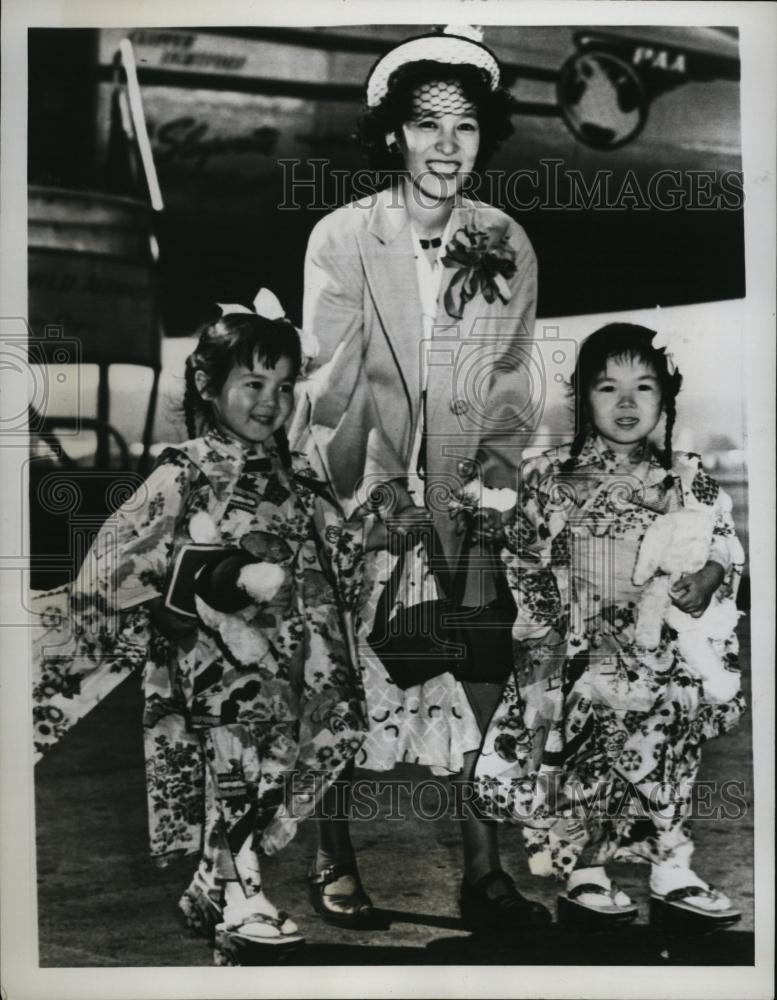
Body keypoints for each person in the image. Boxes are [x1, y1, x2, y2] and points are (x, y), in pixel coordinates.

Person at [290, 26, 550, 928]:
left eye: (466, 127)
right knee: (351, 680)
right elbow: (332, 383)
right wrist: (375, 500)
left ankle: (483, 870)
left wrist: (492, 496)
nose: (447, 146)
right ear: (392, 134)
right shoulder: (343, 236)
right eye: (427, 125)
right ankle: (333, 856)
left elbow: (510, 382)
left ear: (484, 139)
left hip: (463, 502)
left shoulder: (502, 238)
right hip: (359, 496)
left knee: (481, 666)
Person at [32, 299, 366, 963]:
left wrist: (374, 527)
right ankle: (243, 896)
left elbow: (324, 558)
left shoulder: (293, 473)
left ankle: (213, 879)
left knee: (276, 770)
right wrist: (171, 602)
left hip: (289, 656)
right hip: (215, 662)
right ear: (210, 387)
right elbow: (112, 563)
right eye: (252, 384)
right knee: (240, 763)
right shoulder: (184, 470)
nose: (270, 403)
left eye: (283, 387)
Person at [471, 323, 745, 928]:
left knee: (668, 753)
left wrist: (712, 574)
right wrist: (547, 636)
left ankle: (671, 866)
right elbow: (523, 557)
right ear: (582, 397)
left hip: (660, 647)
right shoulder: (550, 477)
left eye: (643, 387)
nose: (626, 403)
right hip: (579, 647)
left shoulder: (685, 473)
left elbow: (721, 541)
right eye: (608, 388)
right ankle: (583, 869)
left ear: (665, 399)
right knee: (584, 756)